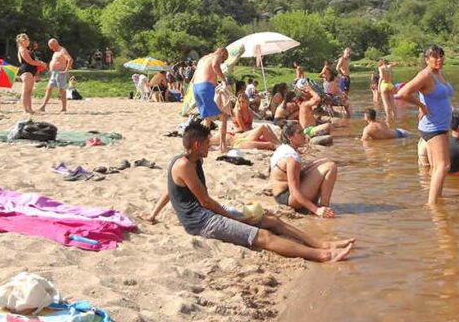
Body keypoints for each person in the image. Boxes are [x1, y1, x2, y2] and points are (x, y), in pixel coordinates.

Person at [136, 123, 353, 262]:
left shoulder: (194, 160)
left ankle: (321, 243)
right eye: (206, 143)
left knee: (272, 219)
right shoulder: (183, 165)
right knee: (263, 236)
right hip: (201, 222)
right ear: (195, 144)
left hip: (208, 214)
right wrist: (234, 218)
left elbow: (171, 190)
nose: (210, 146)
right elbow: (205, 202)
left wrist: (153, 215)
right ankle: (323, 255)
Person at [397, 44, 454, 206]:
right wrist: (421, 106)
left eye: (441, 55)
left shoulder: (438, 73)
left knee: (438, 166)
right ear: (426, 59)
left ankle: (438, 199)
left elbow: (438, 96)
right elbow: (402, 94)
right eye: (435, 56)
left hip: (441, 124)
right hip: (433, 125)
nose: (439, 59)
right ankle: (432, 204)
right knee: (444, 166)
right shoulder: (425, 75)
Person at [270, 122, 339, 218]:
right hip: (288, 198)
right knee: (331, 167)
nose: (304, 135)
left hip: (281, 194)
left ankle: (319, 205)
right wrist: (316, 210)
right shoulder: (292, 159)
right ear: (290, 137)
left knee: (325, 161)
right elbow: (294, 191)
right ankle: (324, 207)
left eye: (303, 132)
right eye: (300, 133)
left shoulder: (284, 148)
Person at [191, 48, 230, 152]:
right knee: (223, 116)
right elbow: (215, 66)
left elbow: (194, 76)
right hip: (205, 87)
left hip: (195, 87)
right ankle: (222, 146)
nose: (222, 62)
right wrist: (224, 80)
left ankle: (206, 145)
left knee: (207, 118)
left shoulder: (203, 59)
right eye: (223, 59)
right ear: (222, 53)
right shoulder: (216, 56)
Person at [38, 39, 73, 113]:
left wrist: (66, 70)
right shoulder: (56, 52)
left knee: (61, 90)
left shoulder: (62, 51)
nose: (50, 48)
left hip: (60, 73)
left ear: (55, 44)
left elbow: (70, 60)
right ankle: (43, 106)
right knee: (49, 88)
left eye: (51, 46)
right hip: (53, 73)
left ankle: (64, 108)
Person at [16, 33, 46, 114]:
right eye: (25, 39)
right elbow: (30, 61)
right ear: (21, 41)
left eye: (27, 39)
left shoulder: (27, 49)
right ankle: (25, 110)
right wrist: (41, 63)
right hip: (26, 71)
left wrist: (40, 64)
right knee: (25, 91)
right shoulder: (22, 49)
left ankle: (30, 109)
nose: (27, 41)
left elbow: (32, 61)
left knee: (29, 91)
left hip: (30, 72)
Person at [377, 59, 398, 126]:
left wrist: (378, 86)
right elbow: (396, 63)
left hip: (384, 84)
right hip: (390, 85)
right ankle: (395, 117)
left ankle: (388, 118)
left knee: (386, 103)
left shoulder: (380, 68)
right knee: (392, 103)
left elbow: (381, 77)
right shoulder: (389, 66)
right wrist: (389, 62)